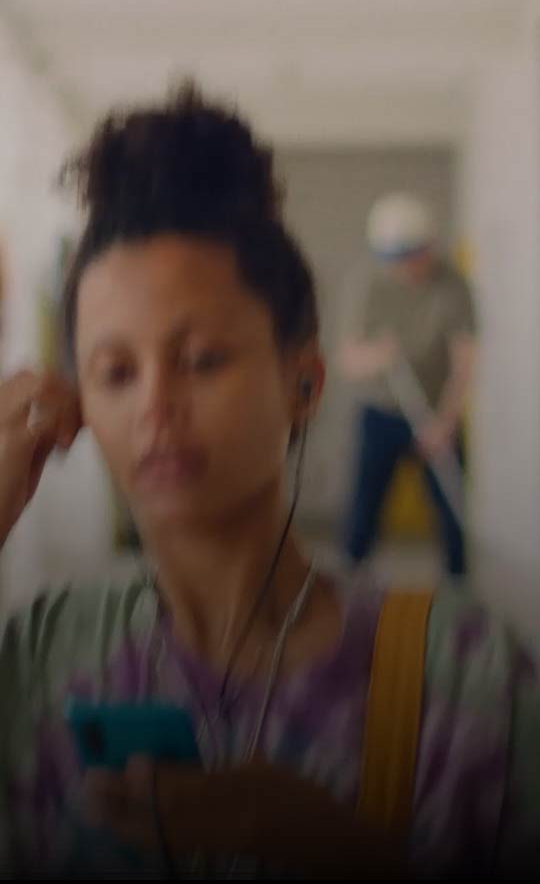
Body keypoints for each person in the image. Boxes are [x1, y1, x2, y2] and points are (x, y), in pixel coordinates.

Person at [0, 86, 537, 879]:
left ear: (304, 384)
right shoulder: (46, 654)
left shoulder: (468, 681)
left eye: (202, 360)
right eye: (115, 372)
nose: (155, 408)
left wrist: (343, 851)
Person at [339, 193, 477, 576]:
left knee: (453, 514)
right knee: (364, 509)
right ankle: (352, 583)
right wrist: (379, 355)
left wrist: (445, 422)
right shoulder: (367, 283)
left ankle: (460, 590)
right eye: (393, 258)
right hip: (381, 412)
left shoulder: (452, 284)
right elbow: (349, 361)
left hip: (437, 413)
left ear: (429, 246)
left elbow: (464, 360)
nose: (403, 266)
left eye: (411, 255)